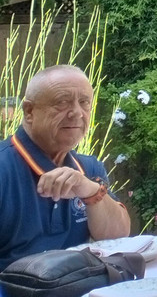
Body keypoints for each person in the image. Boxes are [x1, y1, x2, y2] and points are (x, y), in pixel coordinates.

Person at [0, 65, 130, 268]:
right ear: (29, 111)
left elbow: (119, 236)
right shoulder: (4, 169)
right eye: (62, 102)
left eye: (84, 102)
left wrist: (90, 191)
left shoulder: (89, 168)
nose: (77, 113)